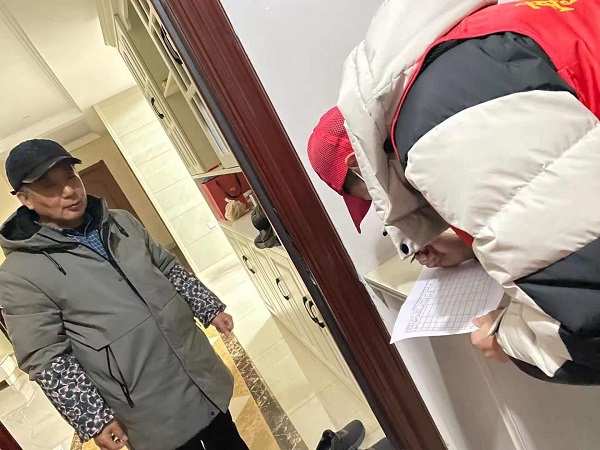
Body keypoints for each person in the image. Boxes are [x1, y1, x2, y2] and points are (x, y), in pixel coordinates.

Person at [309, 0, 600, 384]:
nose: (382, 207)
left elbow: (588, 320)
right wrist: (469, 247)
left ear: (358, 166)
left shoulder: (439, 120)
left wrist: (507, 336)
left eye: (368, 198)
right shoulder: (462, 54)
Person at [0, 139, 249, 450]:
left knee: (230, 442)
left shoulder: (121, 221)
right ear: (25, 199)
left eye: (70, 177)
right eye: (50, 186)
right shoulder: (19, 274)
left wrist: (208, 308)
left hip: (198, 373)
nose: (69, 191)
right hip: (143, 404)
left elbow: (167, 267)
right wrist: (94, 418)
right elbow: (45, 357)